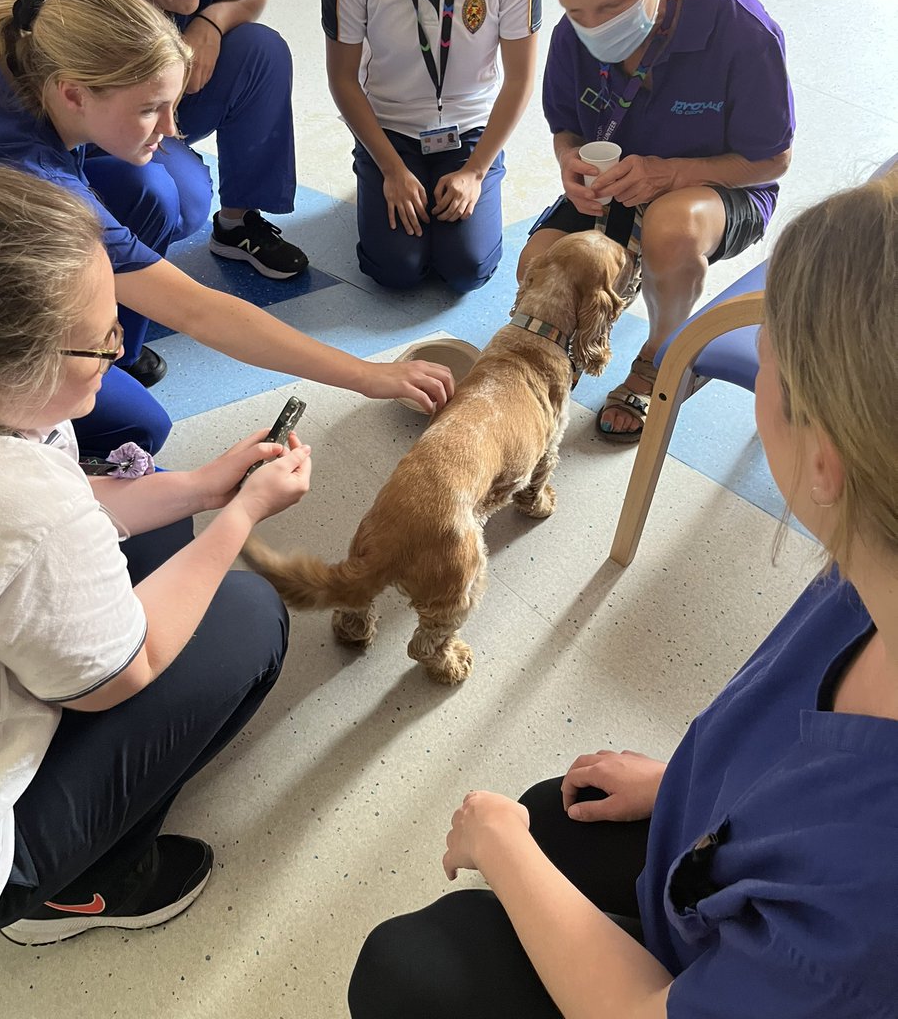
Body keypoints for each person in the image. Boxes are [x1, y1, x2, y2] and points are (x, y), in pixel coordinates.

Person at [347, 171, 898, 1016]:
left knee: (406, 963)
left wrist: (500, 847)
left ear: (825, 459)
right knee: (554, 807)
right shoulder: (868, 558)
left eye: (769, 368)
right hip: (728, 860)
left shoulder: (870, 892)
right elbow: (800, 763)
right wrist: (690, 780)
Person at [0, 165, 312, 945]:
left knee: (164, 512)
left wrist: (206, 488)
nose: (117, 348)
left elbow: (88, 510)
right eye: (99, 338)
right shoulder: (25, 501)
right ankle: (77, 891)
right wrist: (243, 516)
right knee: (245, 615)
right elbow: (122, 677)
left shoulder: (21, 422)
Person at [0, 0, 453, 460]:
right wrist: (366, 374)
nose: (171, 129)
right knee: (139, 426)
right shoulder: (39, 184)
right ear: (73, 95)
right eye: (150, 109)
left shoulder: (25, 47)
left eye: (173, 104)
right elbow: (199, 311)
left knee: (141, 187)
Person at [518, 0, 794, 442]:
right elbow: (564, 128)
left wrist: (672, 174)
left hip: (720, 189)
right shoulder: (575, 36)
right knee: (535, 267)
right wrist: (567, 160)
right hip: (616, 181)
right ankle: (584, 334)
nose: (593, 27)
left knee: (670, 230)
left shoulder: (741, 32)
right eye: (575, 9)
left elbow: (773, 159)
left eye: (613, 7)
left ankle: (661, 356)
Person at [14, 0, 307, 377]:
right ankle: (112, 333)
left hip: (152, 103)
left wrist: (212, 23)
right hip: (91, 139)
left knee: (261, 50)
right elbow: (53, 145)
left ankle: (240, 222)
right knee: (169, 195)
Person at [322, 0, 540, 293]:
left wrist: (477, 171)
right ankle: (379, 176)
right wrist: (391, 169)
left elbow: (521, 79)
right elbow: (342, 78)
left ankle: (463, 185)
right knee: (396, 268)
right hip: (389, 129)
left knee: (465, 268)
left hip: (472, 129)